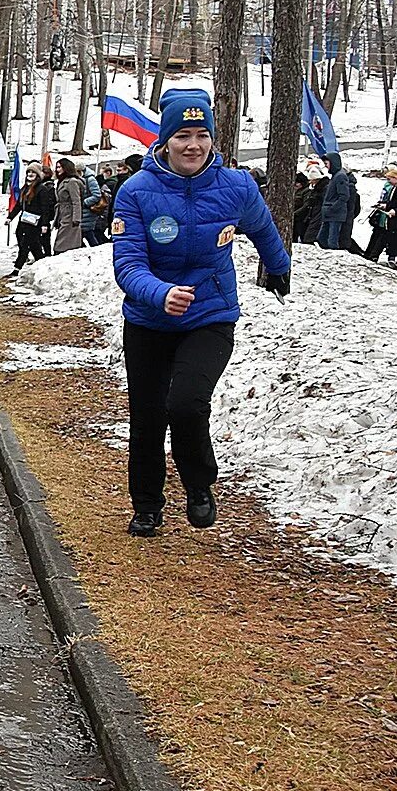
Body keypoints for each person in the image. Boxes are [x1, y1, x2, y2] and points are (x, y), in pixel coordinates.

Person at [110, 88, 290, 537]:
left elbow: (263, 229)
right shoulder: (136, 192)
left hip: (210, 314)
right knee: (147, 417)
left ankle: (199, 483)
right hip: (150, 320)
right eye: (183, 135)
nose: (193, 145)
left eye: (202, 135)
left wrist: (279, 266)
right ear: (165, 141)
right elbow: (127, 263)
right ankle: (148, 505)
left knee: (187, 403)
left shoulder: (237, 186)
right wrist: (160, 293)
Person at [366, 166, 397, 267]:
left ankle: (395, 259)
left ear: (395, 178)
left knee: (396, 240)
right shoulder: (396, 188)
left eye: (389, 179)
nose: (388, 181)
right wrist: (386, 206)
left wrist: (395, 211)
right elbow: (394, 202)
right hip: (393, 219)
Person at [12, 168, 54, 270]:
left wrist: (44, 224)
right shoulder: (25, 188)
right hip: (24, 220)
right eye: (28, 172)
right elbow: (19, 204)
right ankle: (41, 263)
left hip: (35, 222)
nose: (30, 174)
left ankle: (17, 267)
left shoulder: (41, 189)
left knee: (27, 243)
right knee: (33, 245)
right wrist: (10, 217)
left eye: (33, 172)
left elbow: (45, 208)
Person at [317, 151, 357, 251]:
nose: (326, 166)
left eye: (326, 164)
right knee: (321, 238)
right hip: (329, 212)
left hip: (335, 213)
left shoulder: (340, 176)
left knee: (332, 240)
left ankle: (334, 256)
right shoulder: (335, 176)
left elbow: (344, 196)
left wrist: (332, 208)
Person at [53, 157, 85, 253]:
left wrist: (76, 218)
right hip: (63, 213)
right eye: (57, 167)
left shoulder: (72, 182)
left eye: (60, 167)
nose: (57, 170)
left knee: (65, 241)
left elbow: (76, 201)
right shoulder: (62, 181)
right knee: (62, 239)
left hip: (69, 214)